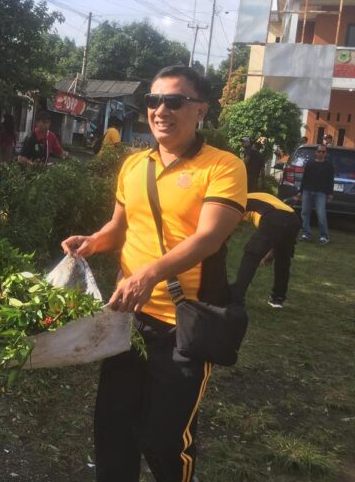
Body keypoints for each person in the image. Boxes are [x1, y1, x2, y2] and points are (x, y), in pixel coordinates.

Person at [61, 65, 246, 482]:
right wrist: (93, 242)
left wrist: (148, 275)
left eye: (174, 101)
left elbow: (208, 239)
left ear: (200, 110)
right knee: (113, 430)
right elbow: (119, 227)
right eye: (154, 100)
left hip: (184, 325)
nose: (161, 110)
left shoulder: (223, 166)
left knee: (165, 440)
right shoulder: (134, 165)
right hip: (127, 321)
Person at [231, 192, 301, 309]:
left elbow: (226, 222)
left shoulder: (238, 199)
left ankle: (236, 295)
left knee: (251, 255)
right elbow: (280, 226)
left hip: (274, 217)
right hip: (294, 219)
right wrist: (272, 252)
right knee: (283, 260)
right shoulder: (260, 198)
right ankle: (278, 298)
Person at [298, 144, 334, 243]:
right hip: (307, 191)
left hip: (321, 192)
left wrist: (330, 193)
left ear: (326, 153)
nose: (321, 153)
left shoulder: (329, 165)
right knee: (305, 213)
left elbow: (330, 180)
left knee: (321, 214)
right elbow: (304, 178)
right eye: (319, 151)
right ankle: (306, 233)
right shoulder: (310, 163)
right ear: (316, 152)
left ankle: (324, 236)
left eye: (323, 152)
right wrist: (300, 191)